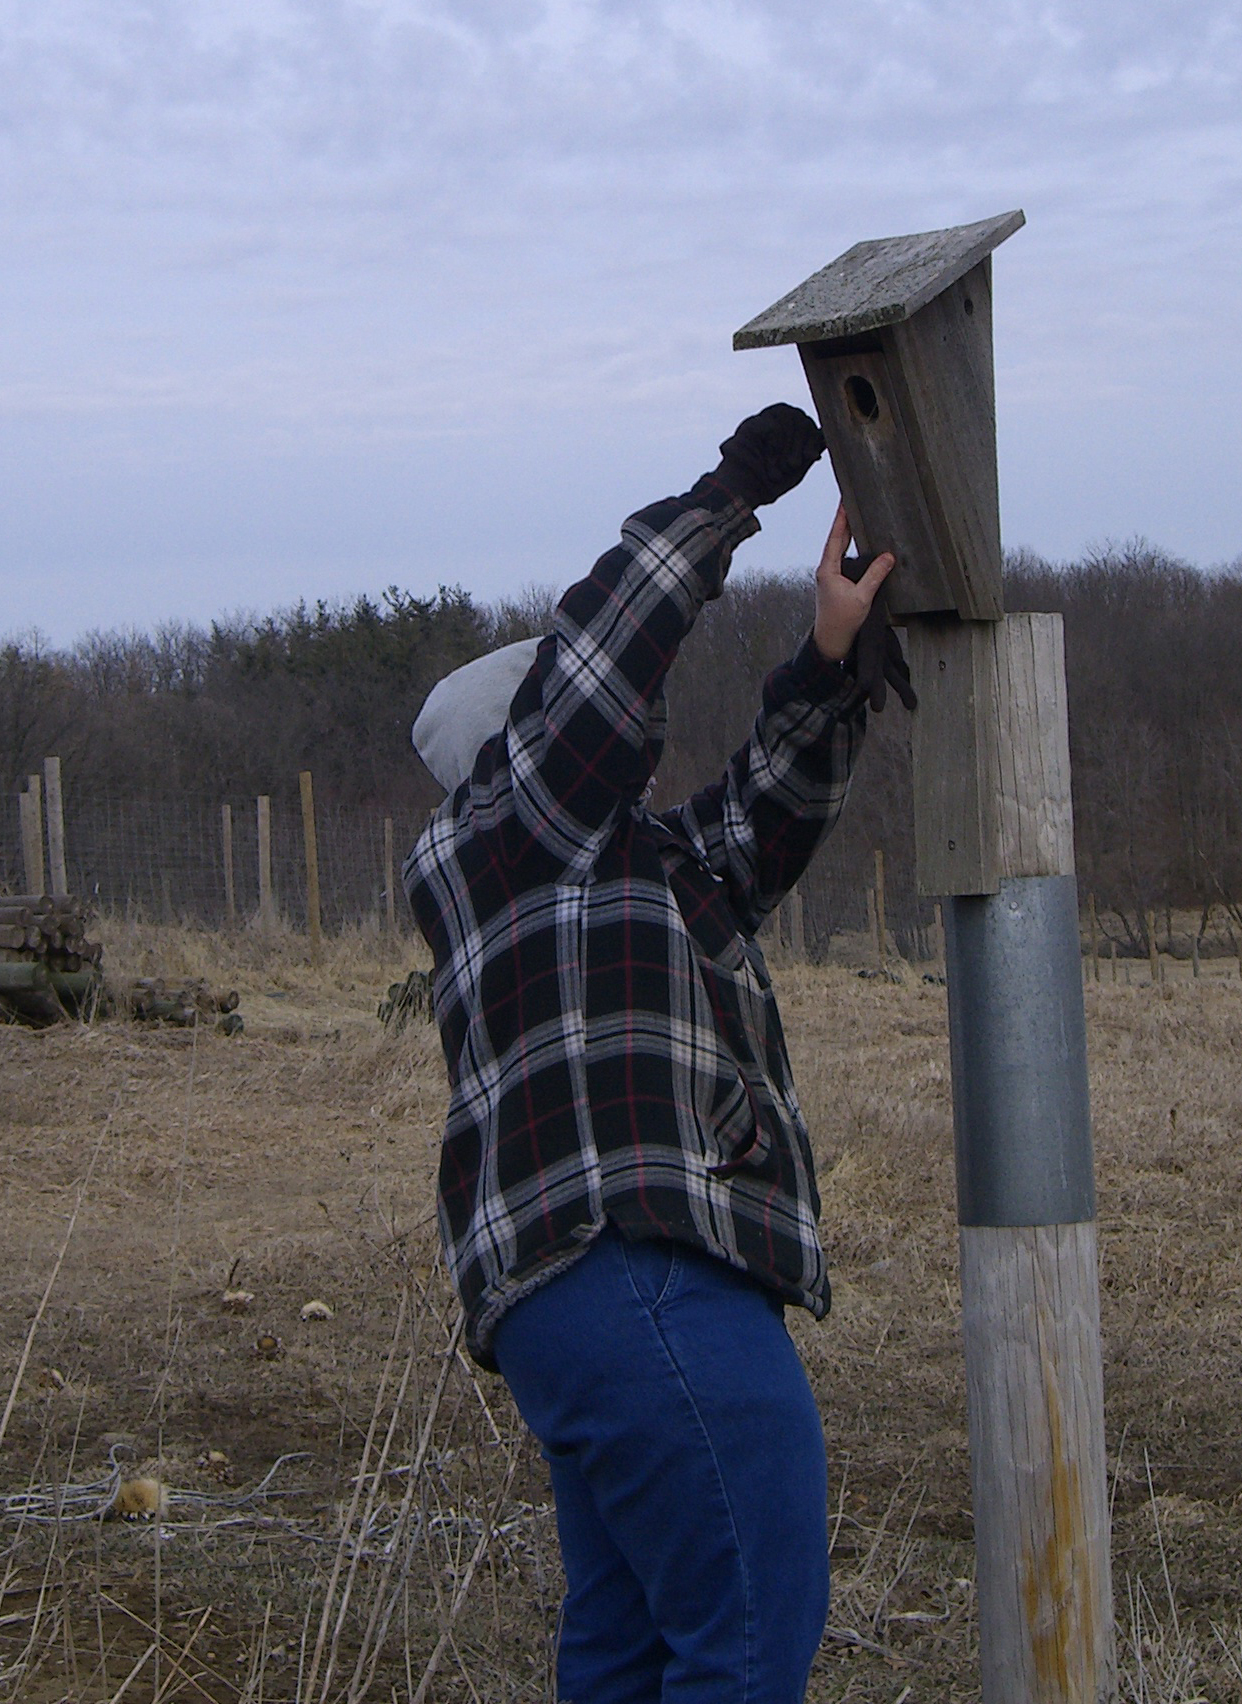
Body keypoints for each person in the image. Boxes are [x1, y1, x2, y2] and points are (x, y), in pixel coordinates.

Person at [403, 404, 901, 1703]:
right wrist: (730, 494)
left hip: (574, 1306)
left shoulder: (614, 870)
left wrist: (827, 667)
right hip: (641, 1267)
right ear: (520, 752)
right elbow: (607, 656)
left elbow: (760, 821)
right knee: (743, 1637)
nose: (619, 728)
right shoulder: (504, 839)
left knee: (626, 1650)